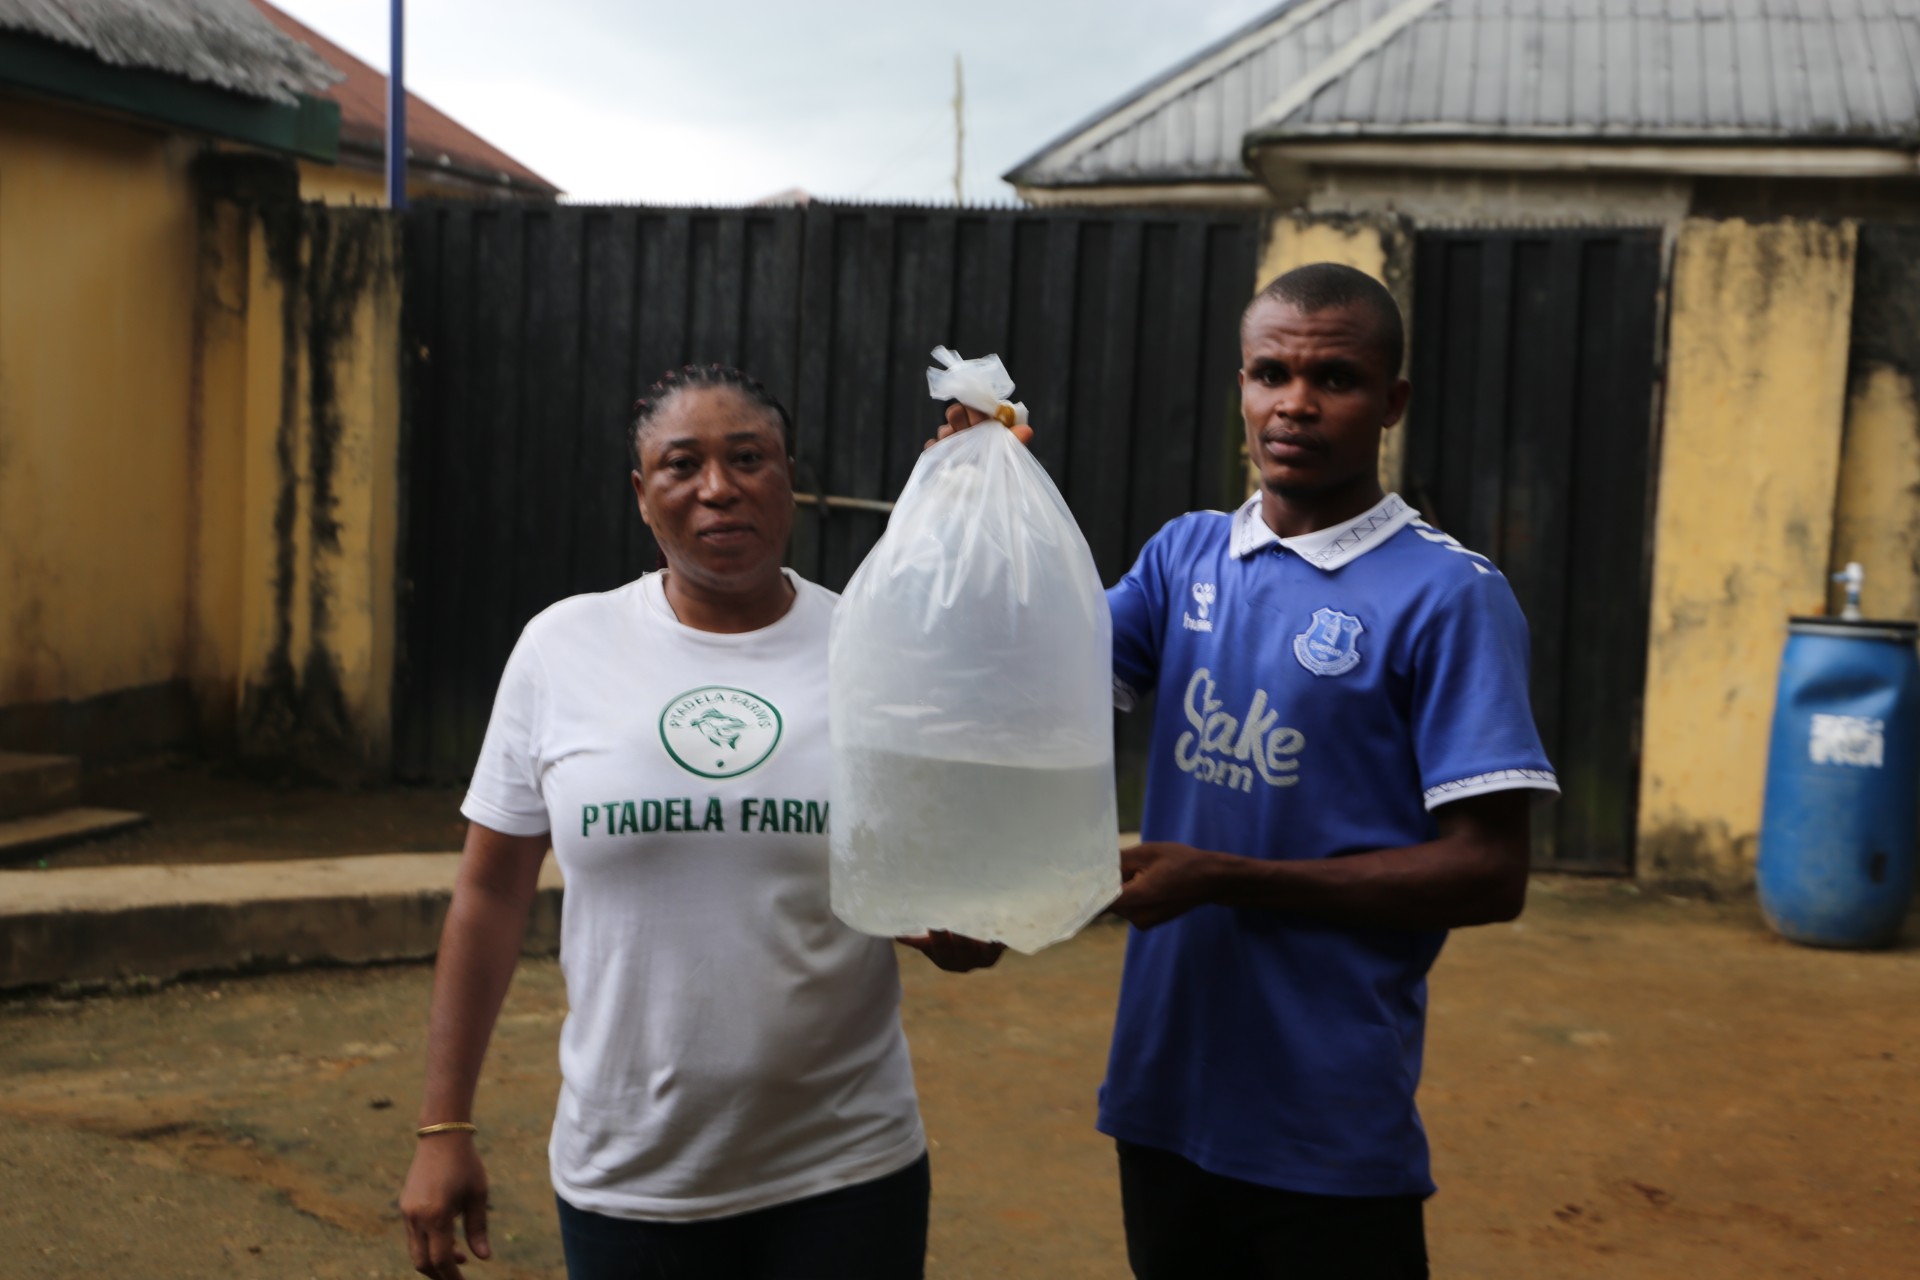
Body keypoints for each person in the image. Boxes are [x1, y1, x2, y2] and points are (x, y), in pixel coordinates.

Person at [940, 262, 1556, 1279]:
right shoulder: (1186, 556)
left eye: (1337, 379)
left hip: (1327, 1124)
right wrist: (973, 500)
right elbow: (1021, 684)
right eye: (1271, 371)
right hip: (1163, 1093)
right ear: (1241, 384)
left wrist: (1230, 877)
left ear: (1392, 400)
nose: (1296, 403)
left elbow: (1492, 874)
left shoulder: (1449, 594)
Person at [400, 364, 1002, 1280]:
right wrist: (443, 1127)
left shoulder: (877, 652)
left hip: (846, 1169)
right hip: (628, 1177)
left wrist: (967, 934)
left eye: (748, 457)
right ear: (643, 497)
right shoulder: (562, 648)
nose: (718, 487)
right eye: (682, 465)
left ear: (788, 477)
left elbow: (949, 891)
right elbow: (487, 895)